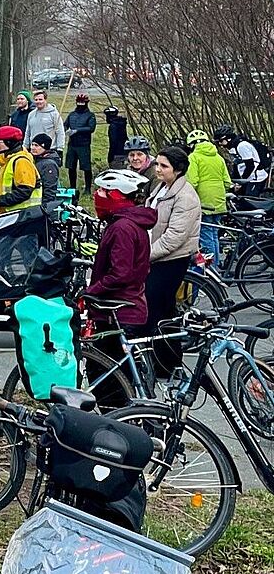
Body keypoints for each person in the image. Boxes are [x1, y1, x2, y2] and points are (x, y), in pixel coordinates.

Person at [85, 169, 157, 407]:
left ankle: (117, 424)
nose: (98, 195)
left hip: (120, 311)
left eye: (104, 191)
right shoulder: (128, 223)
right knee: (119, 373)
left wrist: (91, 291)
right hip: (129, 307)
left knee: (107, 378)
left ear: (117, 195)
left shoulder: (122, 228)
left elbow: (120, 273)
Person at [144, 146, 201, 374]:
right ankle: (168, 363)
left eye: (163, 166)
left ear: (178, 170)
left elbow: (174, 238)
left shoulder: (185, 197)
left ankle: (161, 363)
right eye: (157, 164)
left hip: (170, 260)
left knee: (155, 309)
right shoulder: (163, 187)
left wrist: (144, 256)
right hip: (158, 256)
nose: (158, 169)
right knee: (165, 311)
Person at [186, 128, 231, 262]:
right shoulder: (218, 158)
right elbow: (227, 182)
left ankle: (212, 269)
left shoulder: (193, 158)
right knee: (214, 234)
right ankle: (217, 265)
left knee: (206, 237)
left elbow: (192, 181)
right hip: (219, 201)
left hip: (204, 202)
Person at [0, 125, 40, 214]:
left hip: (20, 216)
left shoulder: (21, 162)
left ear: (9, 142)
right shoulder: (5, 161)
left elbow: (24, 191)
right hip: (9, 215)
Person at [218, 123, 271, 195]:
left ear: (228, 138)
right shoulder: (233, 147)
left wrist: (241, 182)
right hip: (246, 179)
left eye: (221, 141)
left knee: (250, 201)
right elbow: (237, 164)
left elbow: (250, 166)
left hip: (255, 179)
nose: (220, 145)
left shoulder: (242, 146)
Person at [63, 93, 96, 192]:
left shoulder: (90, 115)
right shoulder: (72, 115)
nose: (80, 104)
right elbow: (65, 125)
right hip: (72, 144)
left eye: (83, 102)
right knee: (71, 166)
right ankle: (72, 186)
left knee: (86, 167)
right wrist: (63, 130)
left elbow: (91, 128)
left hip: (84, 144)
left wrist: (77, 130)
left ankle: (88, 188)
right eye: (79, 102)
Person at [26, 89, 65, 156]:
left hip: (48, 150)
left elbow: (60, 132)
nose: (38, 102)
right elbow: (28, 132)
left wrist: (60, 149)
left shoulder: (54, 114)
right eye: (36, 100)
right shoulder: (31, 114)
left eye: (40, 99)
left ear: (45, 100)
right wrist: (25, 146)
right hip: (34, 150)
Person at [30, 134, 61, 216]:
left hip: (44, 209)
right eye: (32, 145)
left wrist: (45, 209)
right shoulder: (35, 160)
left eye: (36, 145)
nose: (33, 148)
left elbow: (49, 189)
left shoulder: (49, 164)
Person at [124, 137, 158, 204]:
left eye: (139, 154)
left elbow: (154, 201)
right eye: (132, 155)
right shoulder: (128, 172)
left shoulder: (155, 173)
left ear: (147, 156)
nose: (135, 158)